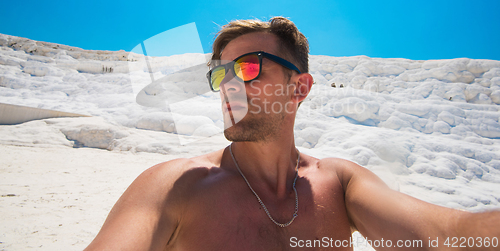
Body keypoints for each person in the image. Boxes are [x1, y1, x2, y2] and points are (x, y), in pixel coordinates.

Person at [84, 17, 499, 250]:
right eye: (220, 74)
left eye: (248, 67)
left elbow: (446, 236)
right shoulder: (176, 185)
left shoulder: (339, 184)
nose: (230, 85)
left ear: (299, 87)